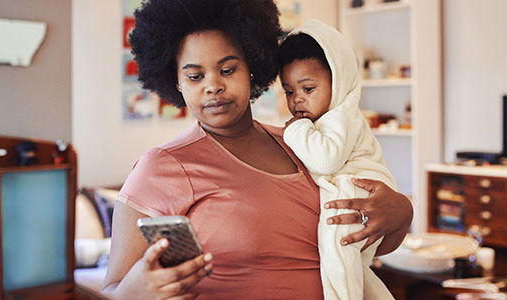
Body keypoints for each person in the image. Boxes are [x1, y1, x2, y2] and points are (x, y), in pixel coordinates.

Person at [101, 0, 413, 299]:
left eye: (227, 70)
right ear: (177, 82)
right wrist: (137, 289)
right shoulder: (160, 166)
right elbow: (112, 290)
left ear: (252, 68)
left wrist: (401, 213)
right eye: (195, 76)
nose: (213, 86)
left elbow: (357, 246)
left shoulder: (303, 143)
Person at [278, 20, 396, 299]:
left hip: (358, 188)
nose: (297, 101)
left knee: (336, 245)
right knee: (352, 266)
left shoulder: (341, 116)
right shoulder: (325, 119)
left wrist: (294, 129)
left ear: (338, 81)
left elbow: (326, 159)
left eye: (308, 89)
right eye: (289, 91)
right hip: (351, 187)